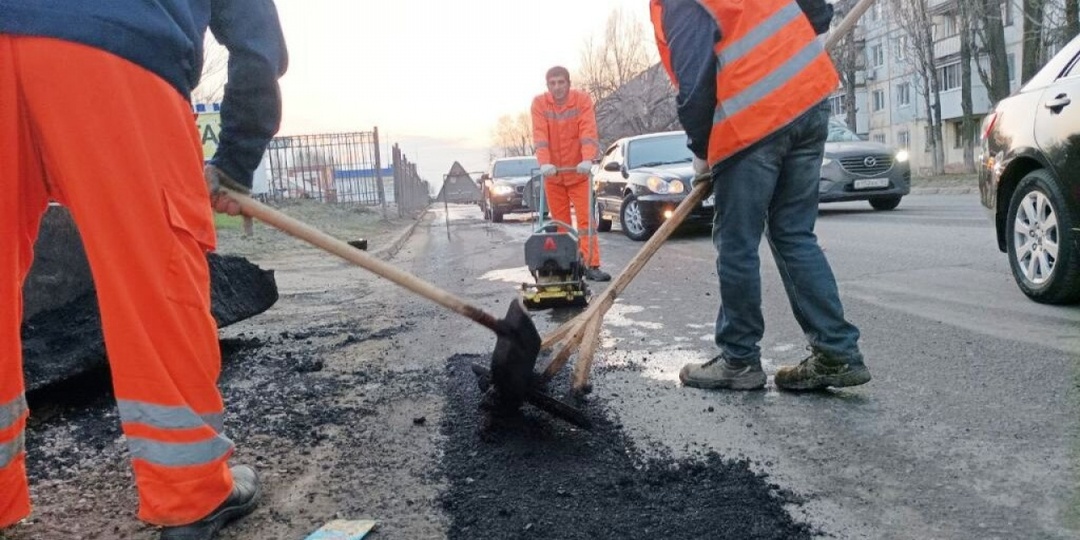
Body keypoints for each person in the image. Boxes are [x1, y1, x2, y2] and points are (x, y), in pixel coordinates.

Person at [0, 1, 287, 538]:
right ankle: (189, 494)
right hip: (114, 55)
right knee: (154, 282)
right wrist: (235, 163)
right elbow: (256, 42)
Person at [649, 0, 871, 391]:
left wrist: (701, 151)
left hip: (752, 118)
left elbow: (695, 82)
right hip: (808, 99)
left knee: (737, 243)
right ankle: (837, 353)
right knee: (793, 234)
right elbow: (818, 12)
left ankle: (739, 360)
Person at [531, 66, 611, 282]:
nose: (557, 87)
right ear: (548, 86)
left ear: (568, 83)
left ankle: (591, 264)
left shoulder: (582, 101)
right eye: (552, 83)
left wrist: (587, 158)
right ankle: (563, 265)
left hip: (578, 173)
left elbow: (588, 131)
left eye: (561, 82)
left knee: (586, 223)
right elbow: (540, 137)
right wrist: (545, 163)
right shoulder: (540, 104)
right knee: (560, 225)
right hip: (554, 175)